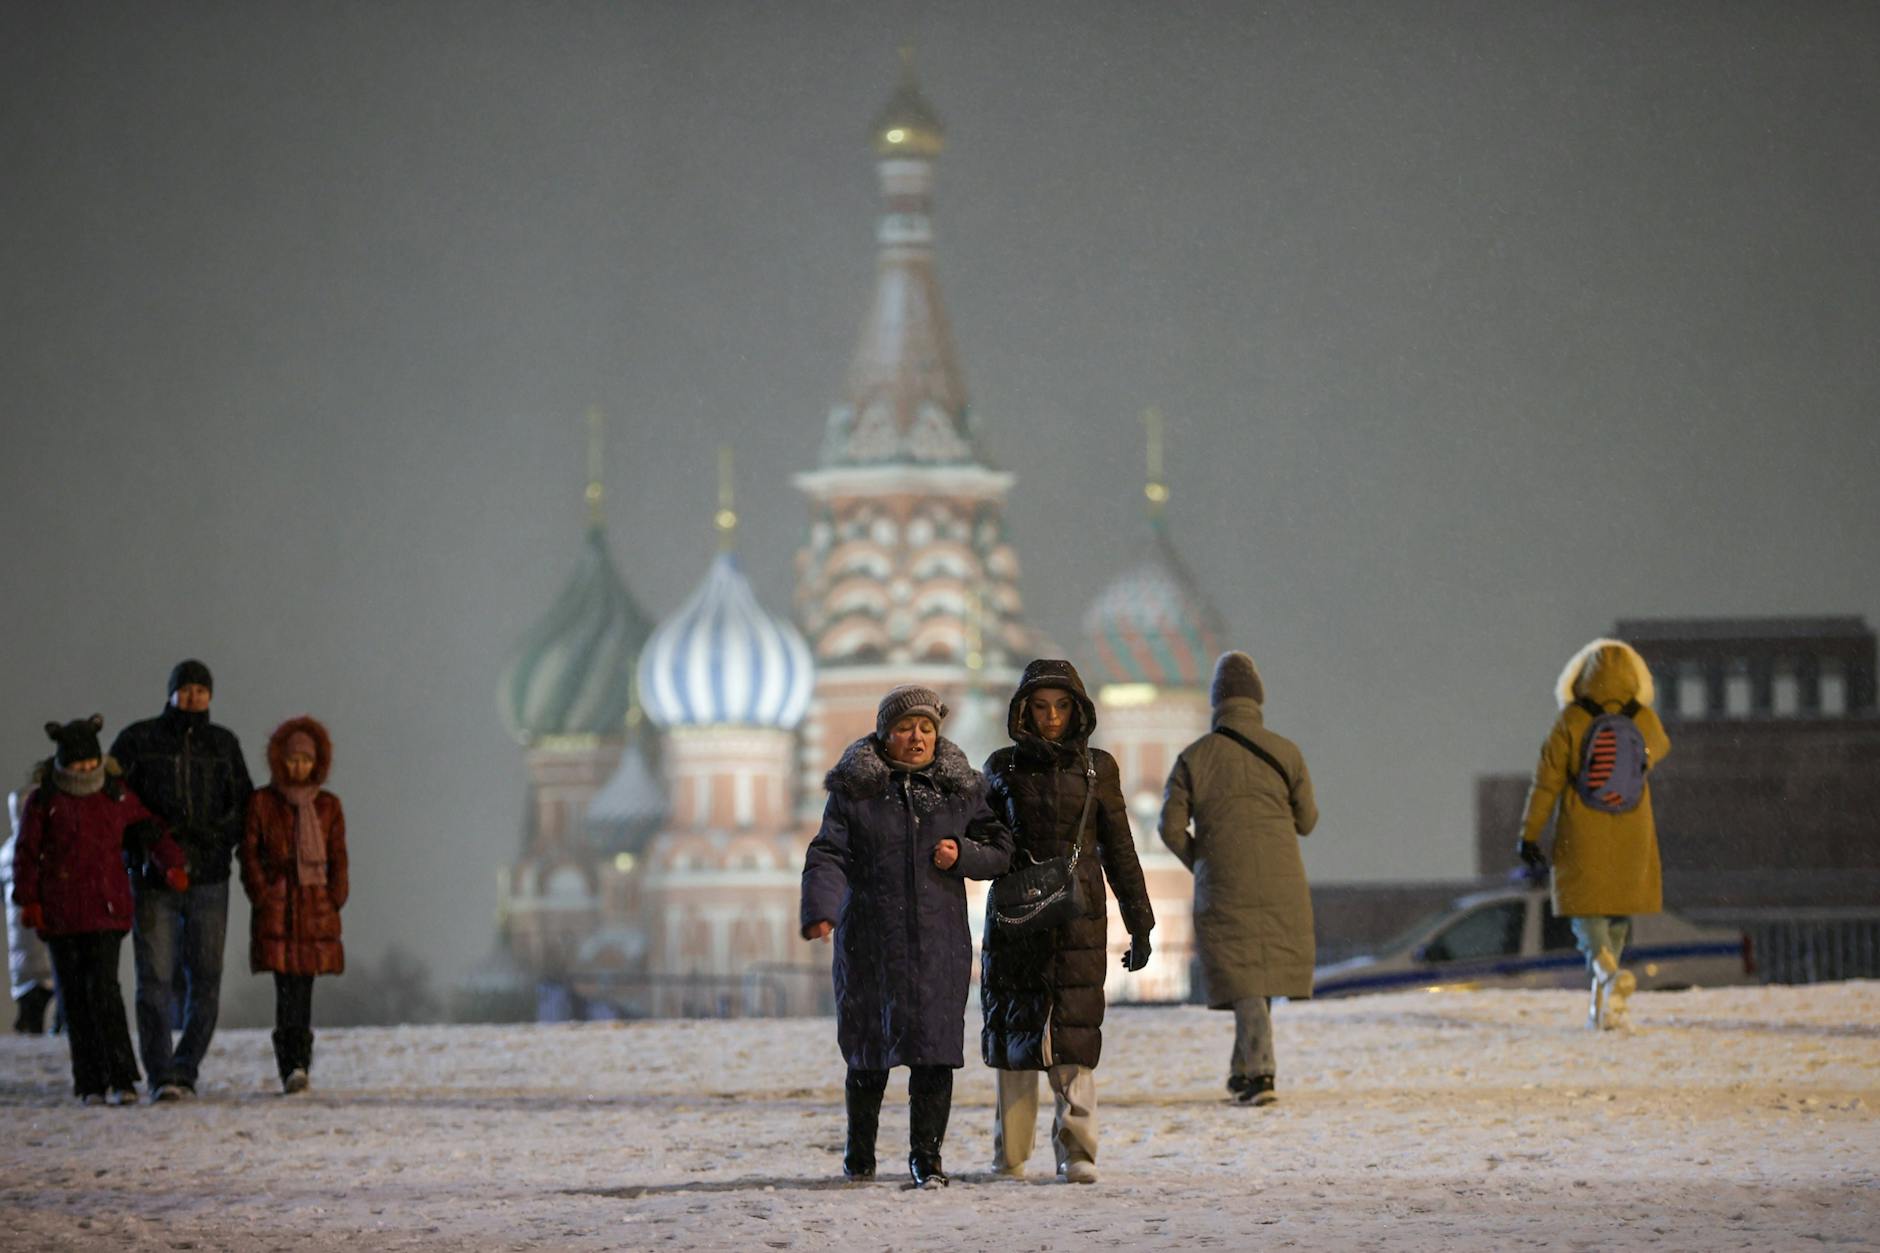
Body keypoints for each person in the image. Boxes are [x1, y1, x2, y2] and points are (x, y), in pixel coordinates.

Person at [800, 685, 1013, 1188]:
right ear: (884, 734)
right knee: (868, 1054)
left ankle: (927, 1159)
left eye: (926, 728)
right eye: (904, 728)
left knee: (934, 1054)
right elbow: (828, 853)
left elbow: (1000, 848)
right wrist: (821, 909)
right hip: (870, 943)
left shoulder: (960, 789)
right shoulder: (856, 791)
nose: (916, 738)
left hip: (937, 945)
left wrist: (962, 853)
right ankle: (860, 1153)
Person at [980, 658, 1154, 1185]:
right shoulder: (1002, 768)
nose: (1051, 717)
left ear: (1077, 710)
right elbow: (984, 841)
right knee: (1015, 1034)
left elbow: (1121, 849)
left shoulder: (1098, 768)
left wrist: (1140, 922)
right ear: (1023, 712)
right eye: (1040, 706)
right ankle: (1010, 1154)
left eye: (1060, 706)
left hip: (1078, 916)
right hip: (1016, 915)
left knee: (1073, 1035)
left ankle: (1077, 1151)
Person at [1159, 651, 1318, 1107]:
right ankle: (1244, 1070)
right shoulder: (1286, 752)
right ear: (1257, 700)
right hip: (1284, 884)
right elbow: (1307, 821)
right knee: (1258, 975)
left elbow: (1169, 830)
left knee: (1248, 976)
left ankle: (1261, 1073)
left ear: (1216, 703)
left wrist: (1203, 862)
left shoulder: (1194, 758)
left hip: (1224, 885)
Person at [11, 717, 187, 1105]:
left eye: (91, 762)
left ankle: (122, 1078)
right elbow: (26, 855)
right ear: (64, 762)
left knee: (106, 993)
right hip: (60, 916)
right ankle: (89, 1081)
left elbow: (147, 829)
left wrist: (171, 864)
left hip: (105, 911)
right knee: (74, 998)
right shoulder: (44, 802)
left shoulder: (115, 796)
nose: (86, 770)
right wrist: (30, 902)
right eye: (79, 763)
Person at [110, 659, 253, 1099]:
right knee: (153, 976)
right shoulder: (139, 739)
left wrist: (218, 838)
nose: (193, 697)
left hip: (209, 875)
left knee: (206, 974)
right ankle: (159, 1072)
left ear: (211, 695)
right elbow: (112, 793)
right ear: (171, 692)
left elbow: (243, 803)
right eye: (186, 689)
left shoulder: (224, 744)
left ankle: (185, 1066)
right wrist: (144, 838)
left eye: (200, 690)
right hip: (153, 876)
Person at [1516, 638, 1671, 1031]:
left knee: (1586, 914)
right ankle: (1604, 1009)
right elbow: (1660, 749)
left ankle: (1604, 971)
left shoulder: (1572, 719)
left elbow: (1545, 783)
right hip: (1633, 831)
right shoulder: (1644, 719)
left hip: (1583, 828)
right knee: (1617, 916)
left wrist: (1529, 834)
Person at [239, 716, 348, 1094]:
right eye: (292, 759)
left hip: (315, 906)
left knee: (305, 989)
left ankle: (300, 1063)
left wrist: (335, 897)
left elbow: (338, 856)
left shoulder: (328, 806)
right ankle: (291, 1064)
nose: (299, 766)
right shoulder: (263, 803)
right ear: (280, 760)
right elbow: (250, 853)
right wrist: (264, 892)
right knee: (286, 990)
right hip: (280, 906)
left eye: (306, 759)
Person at [6, 790, 59, 1034]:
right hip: (45, 936)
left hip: (21, 951)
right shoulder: (47, 848)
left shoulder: (7, 852)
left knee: (33, 1006)